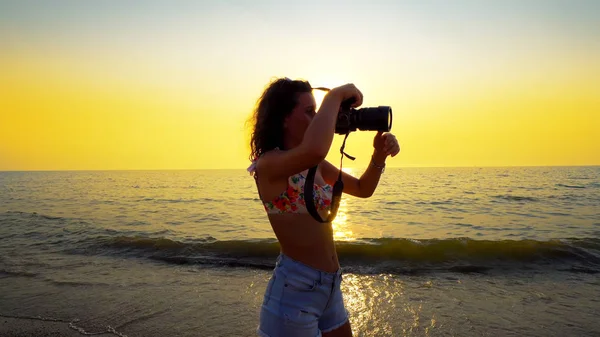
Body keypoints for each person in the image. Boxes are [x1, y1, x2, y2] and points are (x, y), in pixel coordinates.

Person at [246, 77, 400, 337]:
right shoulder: (269, 164)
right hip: (293, 296)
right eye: (309, 112)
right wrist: (336, 95)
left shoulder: (314, 164)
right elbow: (316, 149)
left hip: (330, 288)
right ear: (283, 118)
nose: (317, 118)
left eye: (316, 111)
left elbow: (363, 189)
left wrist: (379, 155)